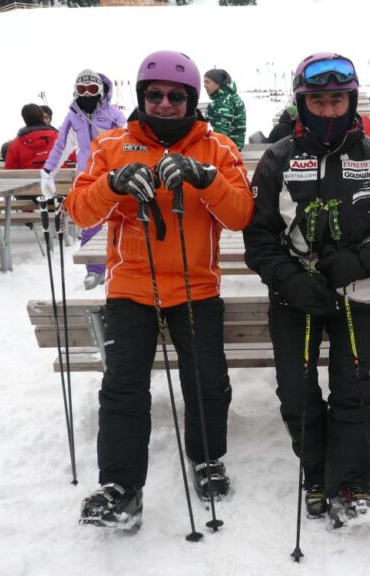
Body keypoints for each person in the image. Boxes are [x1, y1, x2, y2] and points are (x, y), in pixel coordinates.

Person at [66, 50, 254, 530]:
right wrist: (112, 184)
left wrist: (205, 179)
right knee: (123, 386)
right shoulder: (111, 143)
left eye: (176, 96)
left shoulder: (218, 146)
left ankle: (208, 457)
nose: (165, 103)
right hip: (132, 286)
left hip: (196, 287)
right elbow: (80, 212)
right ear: (141, 97)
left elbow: (240, 214)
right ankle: (121, 487)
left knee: (208, 381)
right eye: (155, 95)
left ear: (191, 99)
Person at [243, 52, 370, 527]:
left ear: (351, 100)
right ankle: (316, 472)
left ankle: (351, 480)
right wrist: (291, 279)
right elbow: (258, 238)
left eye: (338, 100)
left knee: (352, 389)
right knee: (296, 391)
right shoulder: (278, 158)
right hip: (295, 296)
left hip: (355, 292)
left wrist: (361, 259)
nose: (329, 111)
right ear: (302, 104)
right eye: (318, 101)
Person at [42, 69, 127, 290]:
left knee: (124, 220)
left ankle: (126, 264)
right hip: (87, 177)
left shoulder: (113, 115)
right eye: (81, 89)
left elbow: (128, 141)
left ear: (100, 90)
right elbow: (62, 144)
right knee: (90, 222)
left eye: (92, 89)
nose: (87, 94)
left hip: (113, 175)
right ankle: (94, 269)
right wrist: (48, 171)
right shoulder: (73, 116)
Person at [203, 68, 246, 151]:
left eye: (207, 82)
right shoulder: (226, 97)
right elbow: (205, 118)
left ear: (218, 83)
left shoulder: (224, 102)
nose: (204, 85)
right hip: (232, 146)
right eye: (204, 82)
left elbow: (221, 134)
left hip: (228, 150)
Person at [4, 104, 58, 169]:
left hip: (28, 178)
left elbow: (10, 171)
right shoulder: (60, 138)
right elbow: (72, 158)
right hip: (61, 178)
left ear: (24, 119)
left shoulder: (15, 145)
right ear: (41, 117)